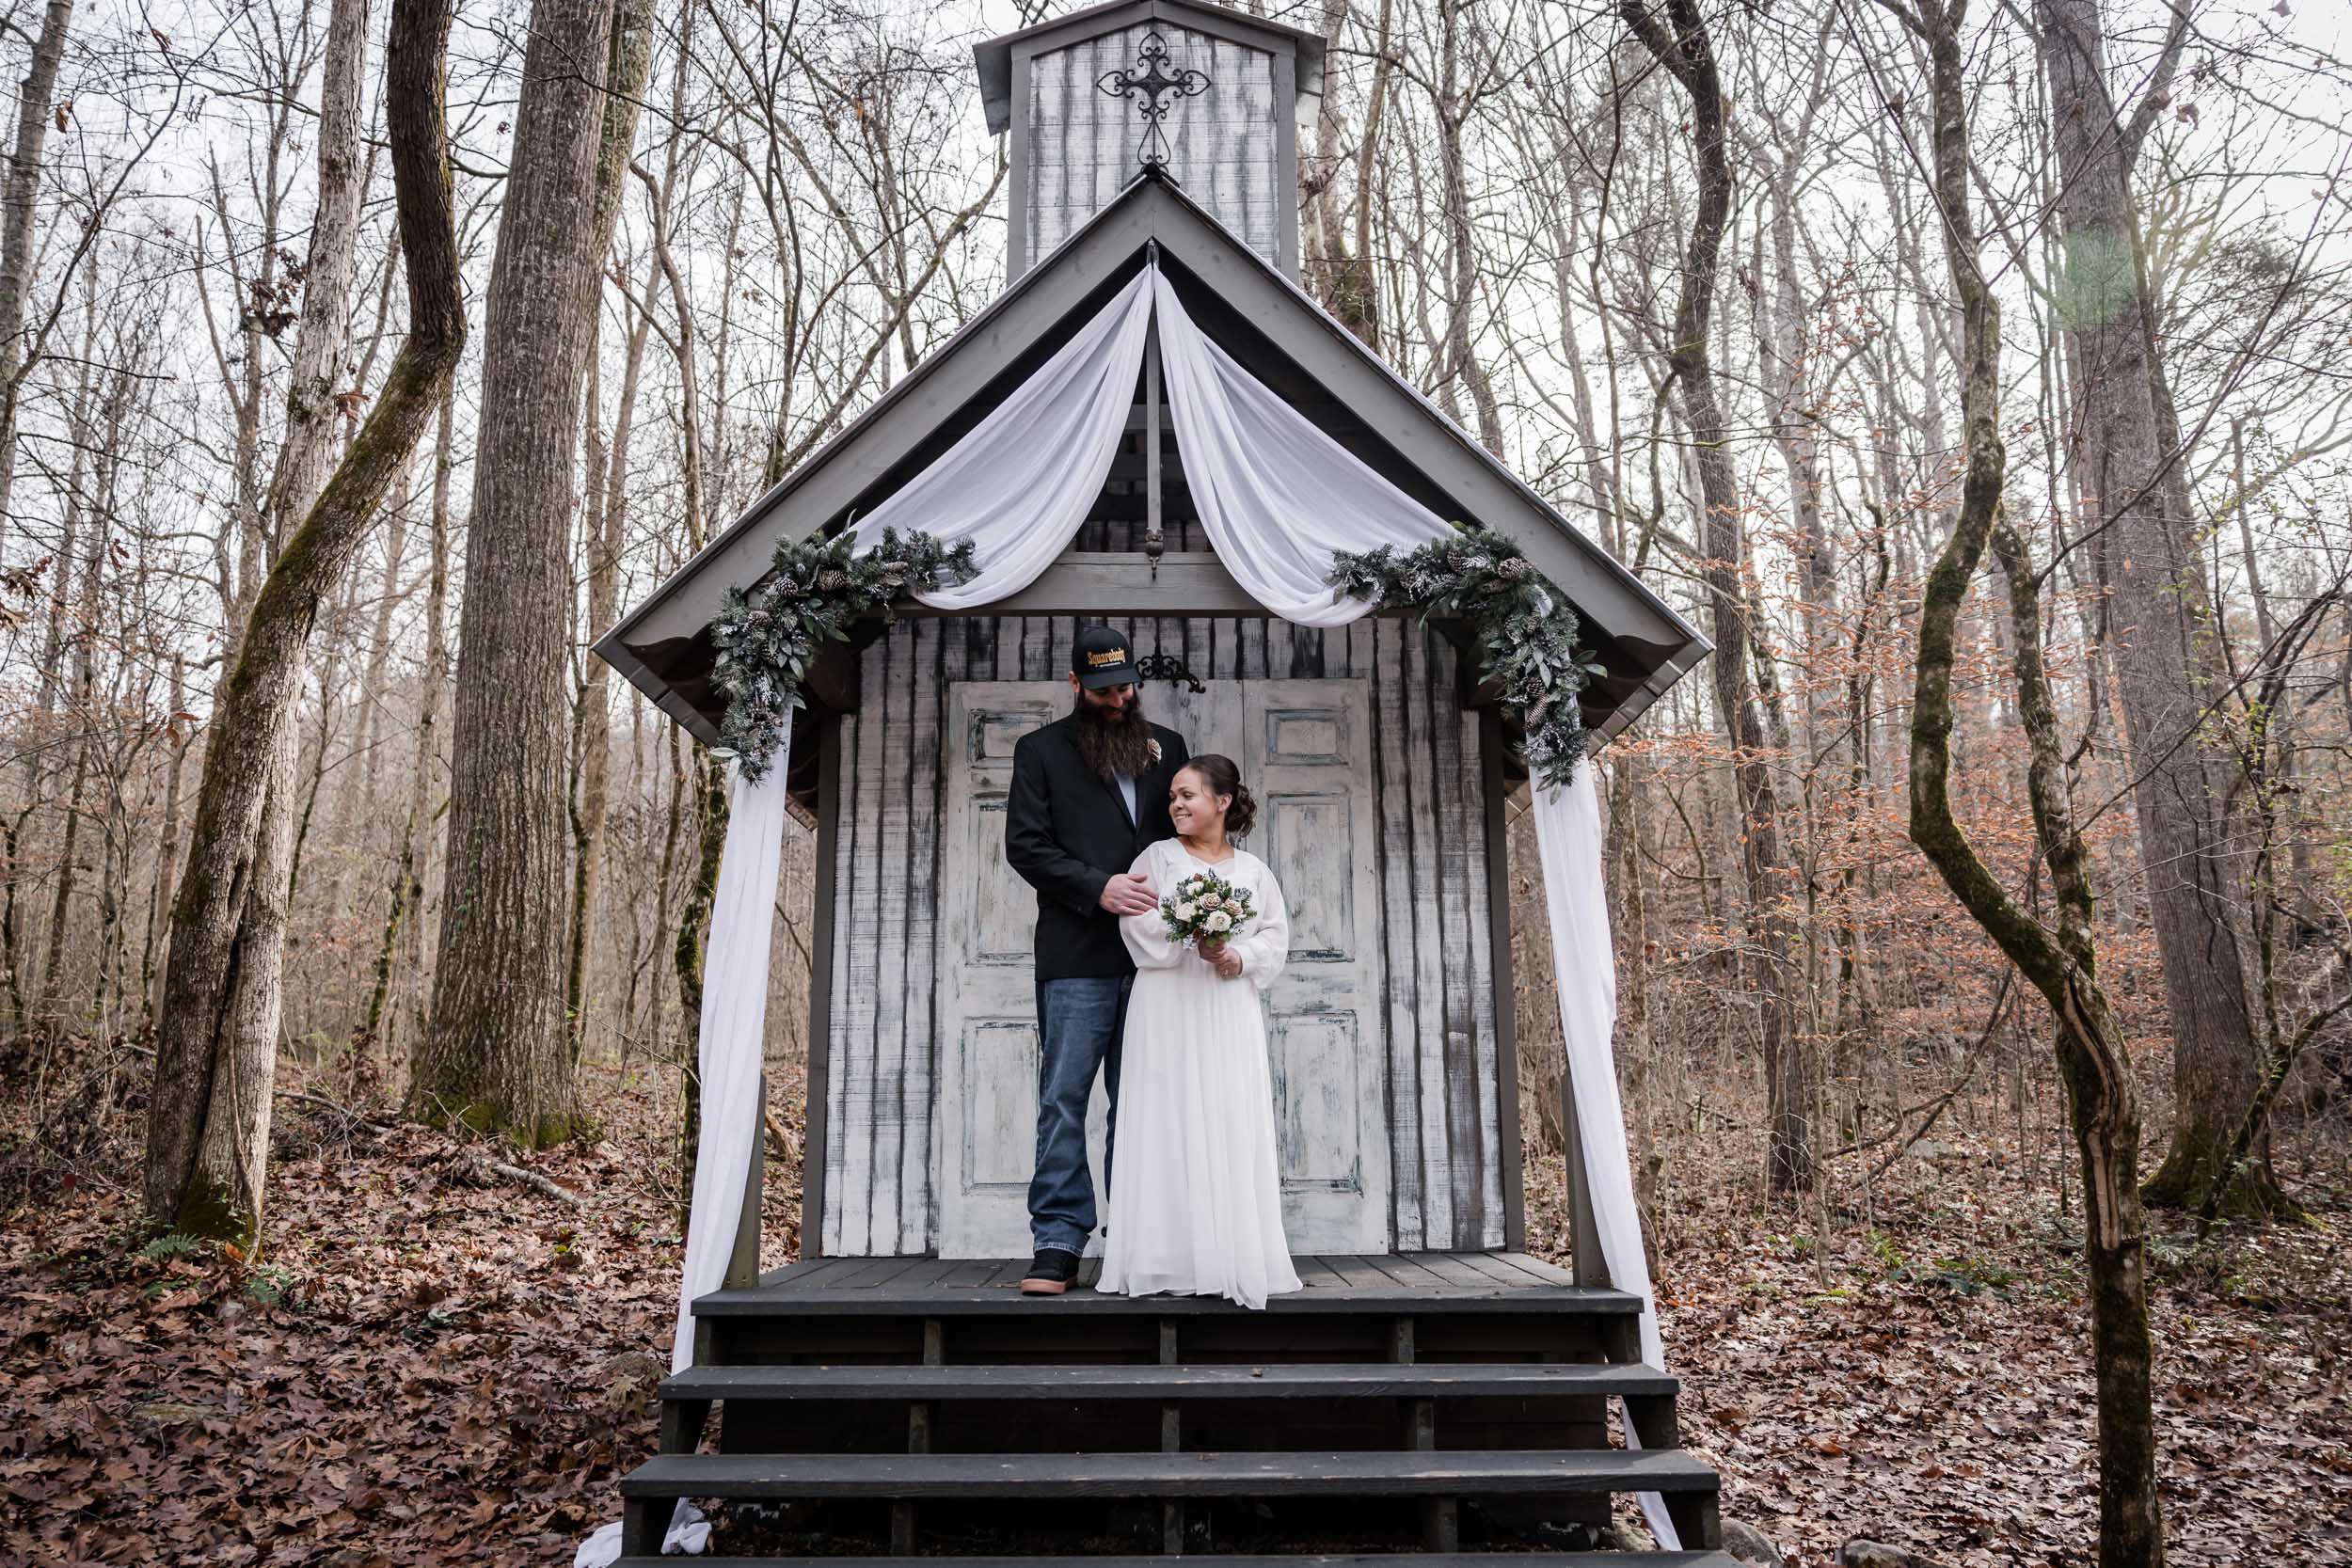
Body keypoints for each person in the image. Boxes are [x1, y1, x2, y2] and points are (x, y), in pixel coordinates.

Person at [1004, 626, 1190, 1295]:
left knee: (1140, 1103)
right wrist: (1097, 887)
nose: (1119, 700)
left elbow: (1187, 837)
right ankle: (1057, 1240)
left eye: (1126, 688)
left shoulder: (1169, 747)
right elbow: (1026, 846)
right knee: (1064, 1100)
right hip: (1076, 953)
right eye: (1105, 690)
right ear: (1076, 684)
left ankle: (1136, 1239)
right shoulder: (1040, 751)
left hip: (1156, 960)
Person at [1100, 753, 1301, 1309]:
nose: (1176, 805)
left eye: (1187, 795)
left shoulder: (1254, 872)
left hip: (1226, 1005)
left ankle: (1231, 1255)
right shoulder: (1157, 859)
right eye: (1172, 797)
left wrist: (1237, 956)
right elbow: (1136, 921)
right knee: (1167, 1117)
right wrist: (1188, 934)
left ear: (1222, 801)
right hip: (1167, 1003)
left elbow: (1274, 936)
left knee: (1228, 1115)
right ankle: (1167, 1257)